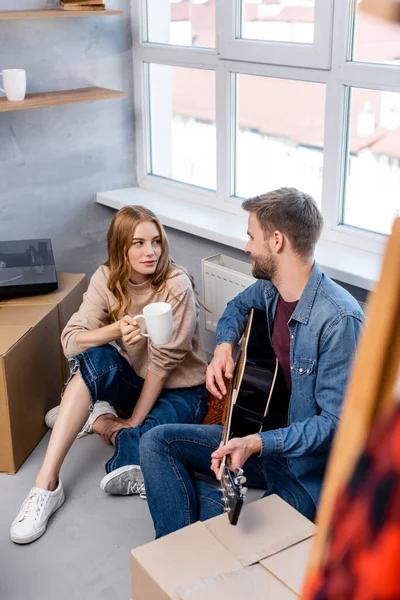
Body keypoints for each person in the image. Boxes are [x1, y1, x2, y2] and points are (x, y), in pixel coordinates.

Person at [139, 187, 364, 538]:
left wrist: (256, 444)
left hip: (301, 469)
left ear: (276, 241)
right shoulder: (273, 287)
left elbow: (335, 425)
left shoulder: (339, 319)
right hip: (255, 442)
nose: (246, 246)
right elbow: (236, 307)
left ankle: (179, 539)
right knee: (155, 442)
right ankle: (180, 546)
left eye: (250, 236)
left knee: (247, 533)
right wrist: (224, 347)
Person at [10, 205, 208, 544]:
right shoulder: (106, 278)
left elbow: (162, 366)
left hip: (181, 389)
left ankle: (98, 420)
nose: (151, 252)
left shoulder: (176, 286)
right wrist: (114, 330)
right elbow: (72, 341)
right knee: (96, 357)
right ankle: (46, 485)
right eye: (139, 243)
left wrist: (132, 421)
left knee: (147, 440)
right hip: (135, 380)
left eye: (156, 241)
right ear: (120, 247)